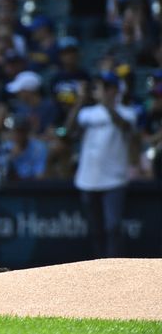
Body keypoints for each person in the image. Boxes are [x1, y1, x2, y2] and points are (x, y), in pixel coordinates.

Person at [67, 72, 137, 258]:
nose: (103, 91)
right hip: (87, 178)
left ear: (115, 90)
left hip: (114, 180)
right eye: (101, 87)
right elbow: (68, 131)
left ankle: (115, 267)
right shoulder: (87, 113)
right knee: (96, 230)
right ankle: (100, 268)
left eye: (107, 87)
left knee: (112, 227)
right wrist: (80, 100)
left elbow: (124, 126)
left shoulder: (127, 112)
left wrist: (106, 103)